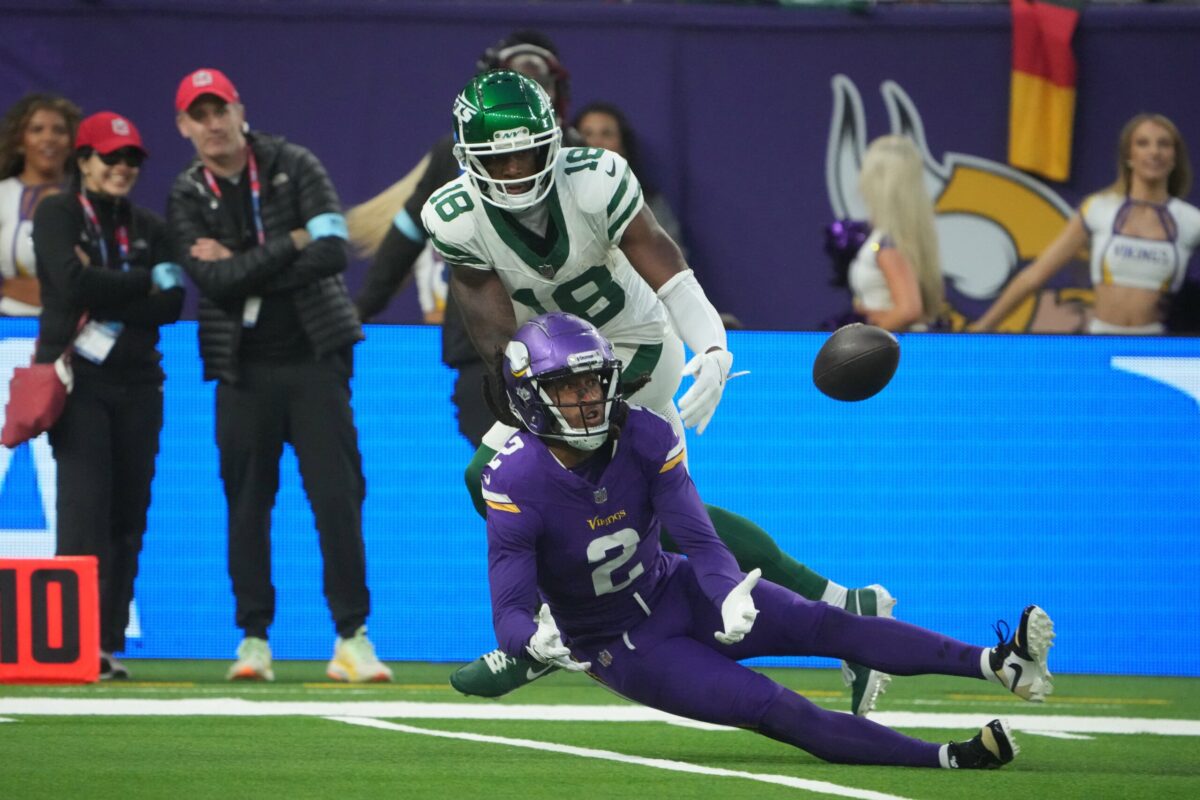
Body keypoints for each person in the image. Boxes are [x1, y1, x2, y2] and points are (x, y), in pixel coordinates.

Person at [426, 71, 896, 714]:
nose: (512, 171)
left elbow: (668, 267)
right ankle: (846, 608)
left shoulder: (595, 182)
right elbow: (497, 340)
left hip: (633, 351)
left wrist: (712, 349)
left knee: (640, 506)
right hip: (550, 368)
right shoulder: (456, 218)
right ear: (466, 160)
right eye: (495, 158)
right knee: (498, 479)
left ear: (553, 143)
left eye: (525, 152)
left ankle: (546, 634)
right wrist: (529, 407)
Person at [485, 311, 1055, 769]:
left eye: (593, 382)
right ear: (531, 396)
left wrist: (728, 589)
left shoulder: (644, 433)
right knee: (774, 706)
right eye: (567, 387)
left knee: (827, 624)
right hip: (626, 644)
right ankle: (949, 758)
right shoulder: (514, 478)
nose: (587, 400)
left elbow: (699, 539)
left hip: (674, 587)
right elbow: (509, 611)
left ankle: (999, 662)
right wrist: (533, 643)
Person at [166, 67, 390, 683]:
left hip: (315, 359)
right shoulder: (186, 193)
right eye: (199, 115)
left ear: (241, 111)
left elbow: (332, 250)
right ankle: (254, 639)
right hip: (242, 368)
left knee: (338, 497)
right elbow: (209, 281)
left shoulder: (295, 162)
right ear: (184, 126)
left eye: (220, 110)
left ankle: (352, 637)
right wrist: (288, 242)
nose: (213, 125)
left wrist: (244, 262)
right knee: (247, 503)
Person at [347, 30, 577, 448]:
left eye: (537, 83)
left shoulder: (580, 160)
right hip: (485, 348)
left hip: (571, 346)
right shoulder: (452, 155)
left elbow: (629, 249)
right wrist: (361, 307)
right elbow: (407, 235)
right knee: (509, 482)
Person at [33, 111, 184, 679]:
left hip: (141, 382)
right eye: (110, 158)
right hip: (79, 381)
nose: (121, 168)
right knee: (83, 511)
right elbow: (67, 285)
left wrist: (103, 279)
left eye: (131, 160)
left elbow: (171, 303)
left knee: (128, 515)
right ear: (84, 161)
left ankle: (104, 643)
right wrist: (140, 280)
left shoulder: (150, 225)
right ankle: (68, 643)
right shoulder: (57, 212)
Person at [972, 113, 1200, 334]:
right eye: (1143, 143)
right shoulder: (1098, 209)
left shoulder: (1191, 220)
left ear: (1174, 157)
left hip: (1160, 347)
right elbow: (1035, 275)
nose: (1154, 152)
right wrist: (983, 327)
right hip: (1099, 343)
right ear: (1128, 156)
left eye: (1164, 144)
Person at [848, 135, 944, 332]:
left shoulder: (887, 243)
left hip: (892, 356)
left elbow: (909, 310)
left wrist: (863, 344)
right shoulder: (900, 238)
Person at [0, 93, 81, 316]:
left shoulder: (86, 202)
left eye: (59, 131)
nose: (49, 138)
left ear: (72, 142)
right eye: (37, 130)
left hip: (70, 330)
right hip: (7, 328)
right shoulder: (2, 195)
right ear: (20, 142)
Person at [573, 101, 684, 247]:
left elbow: (672, 261)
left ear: (623, 145)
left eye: (606, 134)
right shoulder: (558, 199)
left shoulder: (647, 203)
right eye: (587, 134)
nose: (596, 142)